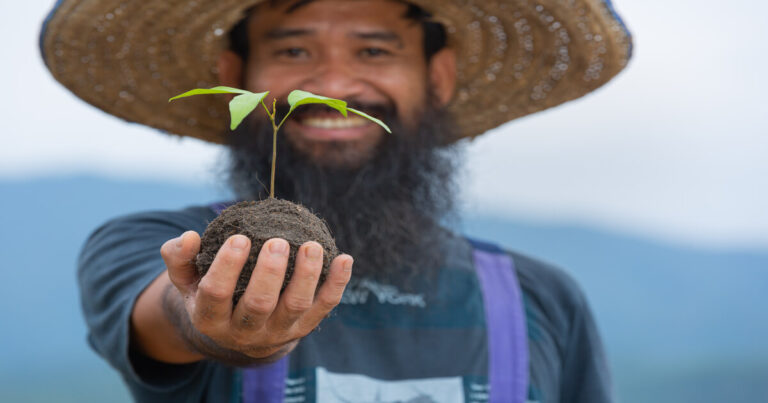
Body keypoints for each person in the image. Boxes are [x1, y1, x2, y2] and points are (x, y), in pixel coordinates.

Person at [40, 0, 632, 401]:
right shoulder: (152, 244)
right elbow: (169, 312)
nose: (330, 88)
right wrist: (214, 323)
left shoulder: (541, 299)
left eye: (374, 53)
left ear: (439, 77)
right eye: (295, 53)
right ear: (235, 76)